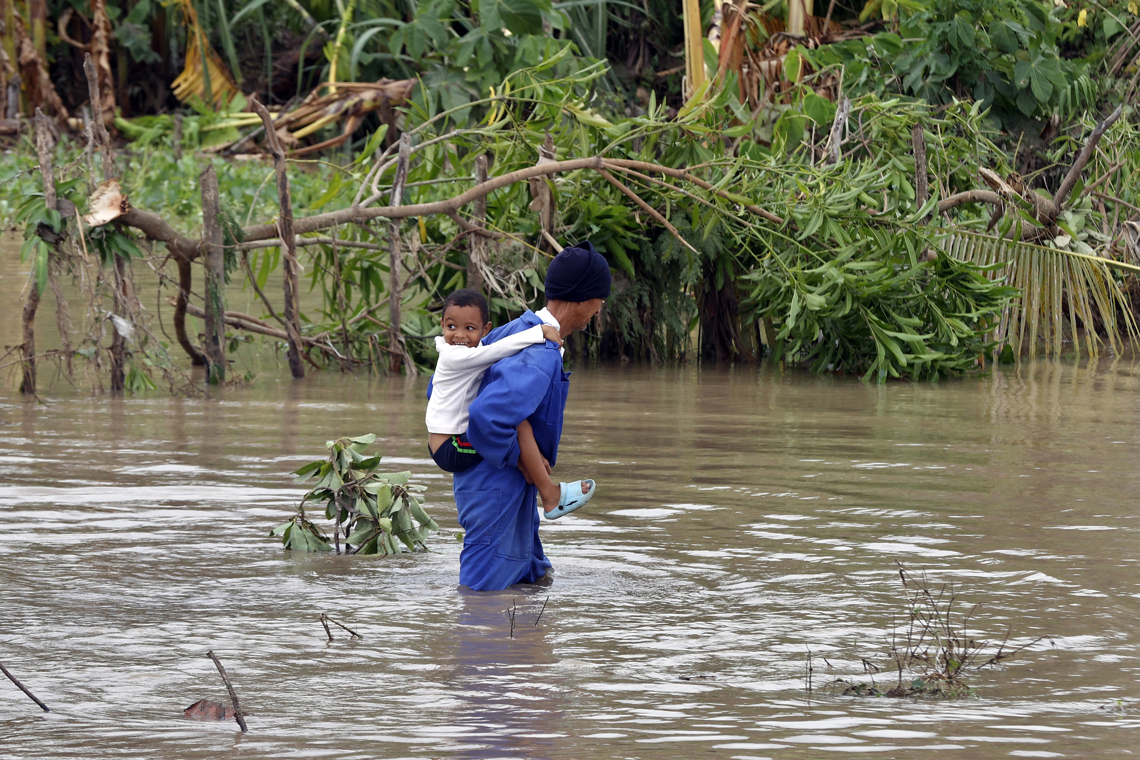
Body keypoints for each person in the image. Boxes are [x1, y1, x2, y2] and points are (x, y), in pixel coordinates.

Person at [449, 241, 612, 591]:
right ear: (582, 300)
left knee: (535, 581)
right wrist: (522, 458)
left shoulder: (519, 330)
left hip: (505, 491)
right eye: (599, 301)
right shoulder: (538, 356)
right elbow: (485, 417)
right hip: (496, 490)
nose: (599, 310)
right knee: (480, 604)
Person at [426, 288, 595, 516]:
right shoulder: (455, 355)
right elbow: (496, 351)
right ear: (442, 324)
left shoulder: (464, 351)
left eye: (470, 328)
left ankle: (531, 470)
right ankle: (548, 493)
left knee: (513, 430)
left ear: (486, 329)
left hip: (448, 441)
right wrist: (539, 332)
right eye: (451, 327)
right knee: (517, 425)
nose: (459, 335)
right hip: (450, 448)